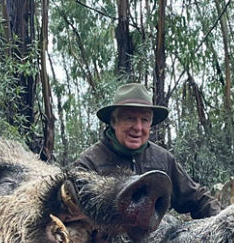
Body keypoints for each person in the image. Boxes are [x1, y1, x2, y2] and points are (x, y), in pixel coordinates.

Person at [73, 82, 219, 219]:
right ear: (113, 121)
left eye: (145, 120)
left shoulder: (163, 159)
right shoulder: (90, 162)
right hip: (106, 240)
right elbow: (71, 208)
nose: (138, 127)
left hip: (157, 238)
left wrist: (226, 221)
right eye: (129, 118)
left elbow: (196, 198)